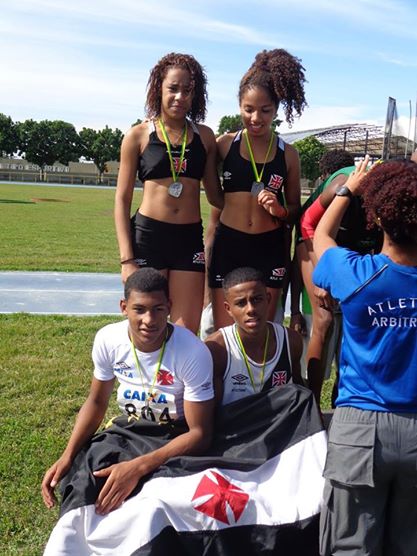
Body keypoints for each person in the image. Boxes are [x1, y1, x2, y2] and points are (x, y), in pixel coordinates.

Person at [41, 268, 214, 516]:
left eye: (158, 309)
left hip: (173, 436)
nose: (149, 320)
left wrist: (137, 468)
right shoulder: (108, 339)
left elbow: (200, 434)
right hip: (129, 430)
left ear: (169, 307)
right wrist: (68, 455)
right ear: (124, 307)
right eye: (139, 309)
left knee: (156, 501)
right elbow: (97, 401)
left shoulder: (192, 351)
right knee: (83, 482)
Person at [313, 158, 417, 555]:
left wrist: (349, 189)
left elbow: (322, 235)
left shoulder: (356, 274)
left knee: (349, 546)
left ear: (378, 217)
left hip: (359, 429)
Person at [115, 52, 223, 334]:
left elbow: (216, 197)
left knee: (186, 332)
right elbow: (122, 200)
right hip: (148, 238)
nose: (180, 97)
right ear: (159, 89)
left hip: (188, 240)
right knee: (149, 328)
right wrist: (127, 260)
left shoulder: (205, 137)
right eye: (173, 88)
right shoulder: (138, 135)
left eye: (187, 90)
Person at [207, 48, 306, 329]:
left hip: (268, 246)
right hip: (229, 244)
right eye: (248, 109)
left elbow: (295, 210)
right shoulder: (225, 145)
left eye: (265, 110)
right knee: (224, 330)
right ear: (239, 106)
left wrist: (279, 210)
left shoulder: (289, 155)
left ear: (276, 110)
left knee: (263, 329)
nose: (256, 118)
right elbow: (212, 195)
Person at [298, 149, 382, 407]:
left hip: (353, 246)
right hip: (314, 240)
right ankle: (312, 404)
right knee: (325, 320)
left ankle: (342, 395)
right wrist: (323, 277)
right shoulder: (341, 187)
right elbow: (308, 224)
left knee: (361, 319)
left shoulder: (391, 202)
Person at [205, 267, 303, 405]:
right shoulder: (217, 349)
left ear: (268, 299)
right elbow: (211, 411)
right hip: (235, 419)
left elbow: (298, 392)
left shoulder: (291, 341)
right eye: (241, 303)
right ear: (228, 309)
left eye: (256, 299)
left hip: (280, 418)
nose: (251, 309)